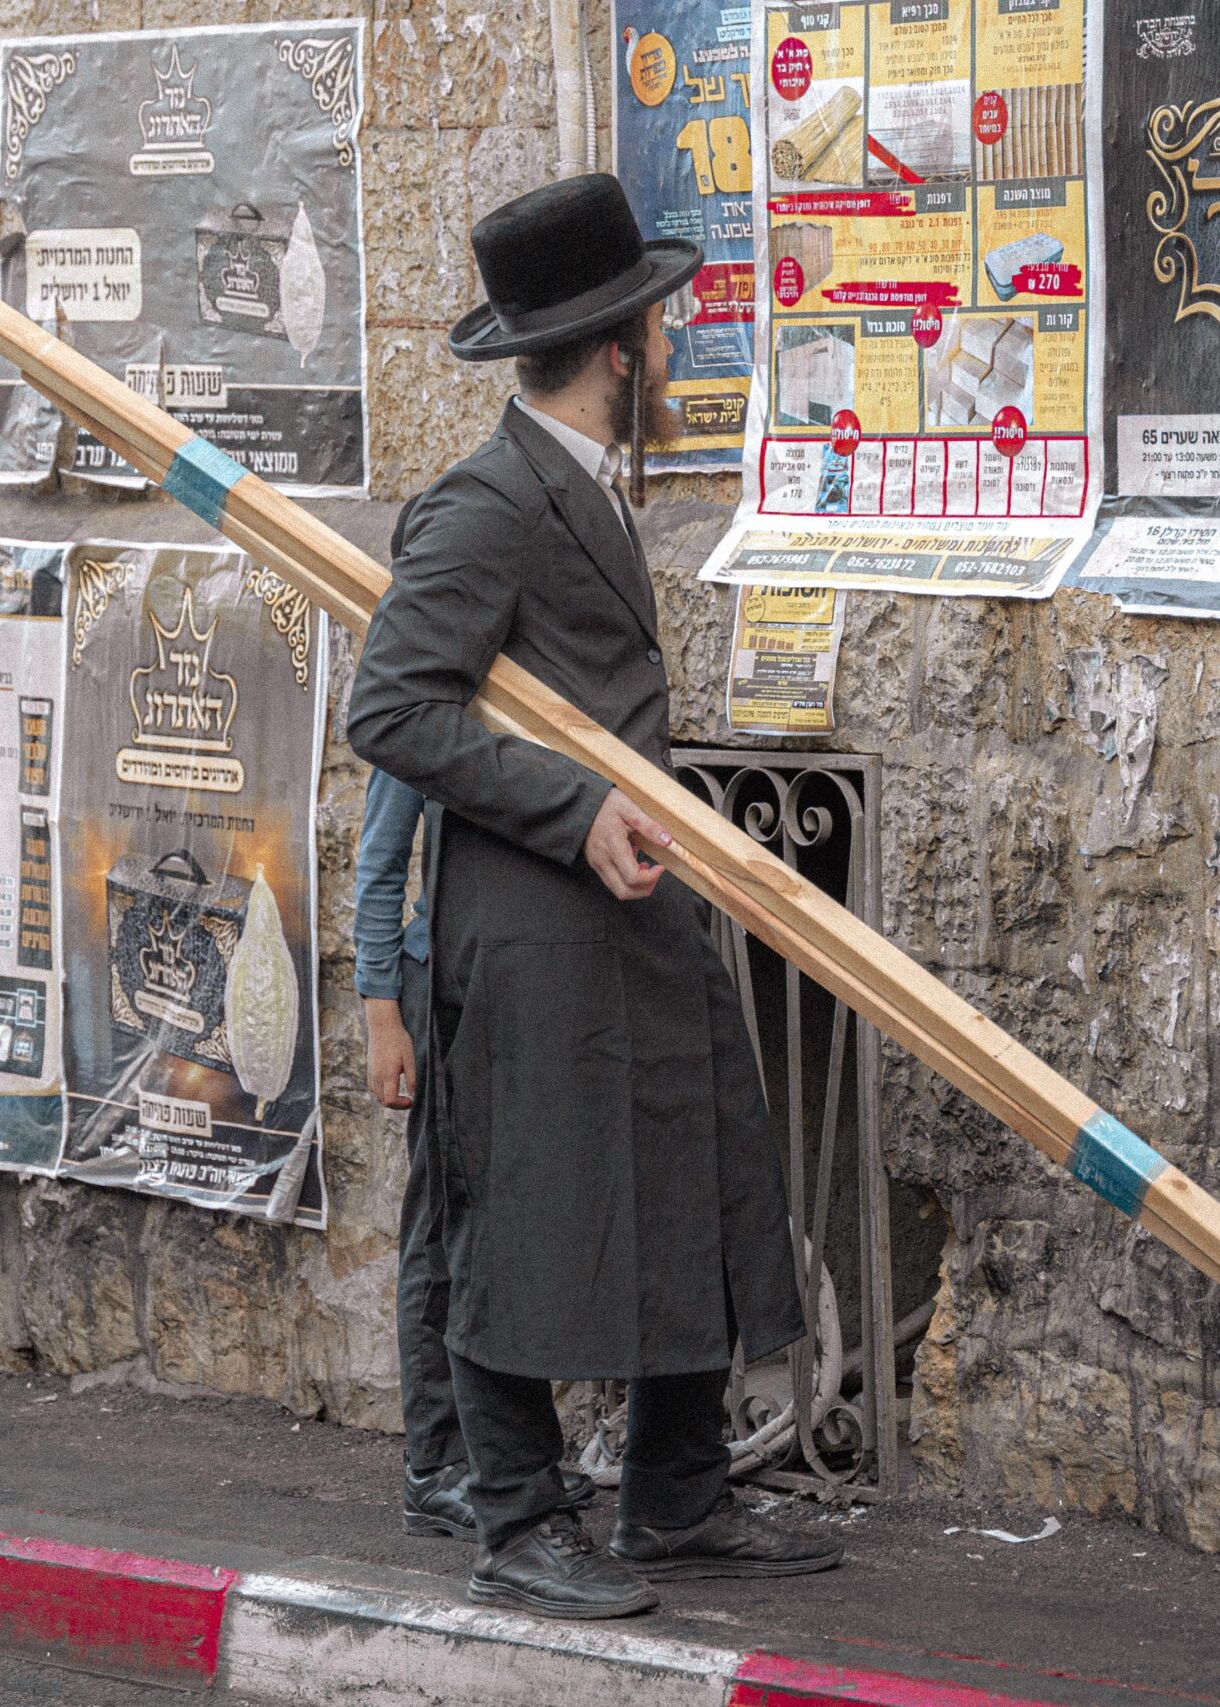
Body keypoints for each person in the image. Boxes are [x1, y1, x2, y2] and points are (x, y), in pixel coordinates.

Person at [346, 173, 841, 1620]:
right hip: (535, 931)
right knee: (526, 1216)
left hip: (629, 917)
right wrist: (574, 814)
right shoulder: (489, 504)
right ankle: (516, 1512)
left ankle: (674, 1494)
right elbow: (392, 709)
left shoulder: (581, 489)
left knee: (688, 1171)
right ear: (624, 345)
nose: (671, 350)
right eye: (662, 329)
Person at [352, 765, 592, 1537]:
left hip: (508, 978)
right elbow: (381, 858)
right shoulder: (428, 670)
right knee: (441, 1222)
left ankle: (502, 1458)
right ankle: (437, 1467)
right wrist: (383, 1017)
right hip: (436, 980)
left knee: (495, 1225)